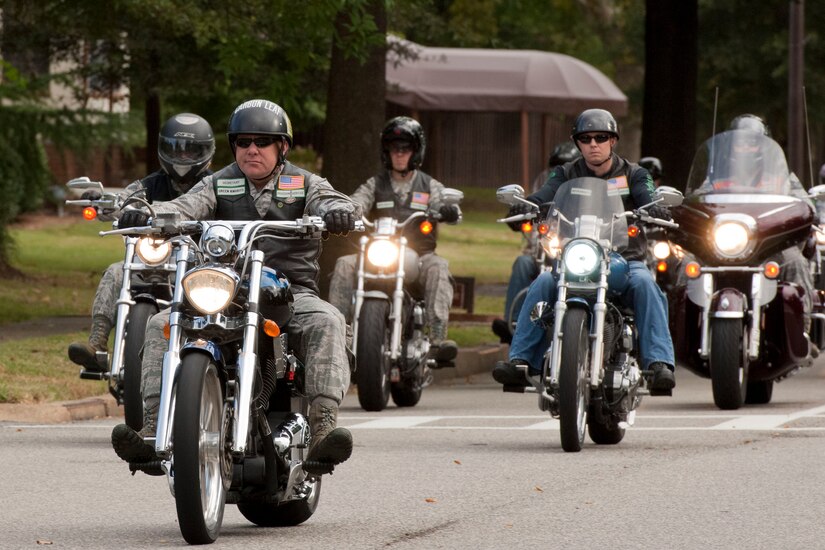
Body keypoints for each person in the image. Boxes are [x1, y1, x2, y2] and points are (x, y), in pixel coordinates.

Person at [109, 99, 361, 474]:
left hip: (290, 293)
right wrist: (145, 215)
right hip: (226, 291)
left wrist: (340, 213)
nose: (251, 150)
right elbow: (182, 207)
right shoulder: (219, 182)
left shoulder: (305, 183)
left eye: (262, 141)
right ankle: (152, 427)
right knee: (161, 324)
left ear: (282, 147)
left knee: (328, 320)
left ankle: (324, 427)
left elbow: (337, 202)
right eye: (243, 142)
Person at [492, 108, 677, 393]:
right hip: (576, 255)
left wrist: (656, 207)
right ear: (577, 142)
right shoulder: (565, 173)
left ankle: (659, 363)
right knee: (542, 281)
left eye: (600, 137)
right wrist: (526, 205)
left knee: (645, 283)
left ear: (612, 140)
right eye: (586, 138)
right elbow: (544, 196)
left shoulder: (635, 174)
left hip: (623, 258)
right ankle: (521, 362)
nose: (593, 144)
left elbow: (648, 197)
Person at [67, 113, 215, 372]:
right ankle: (97, 345)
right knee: (117, 270)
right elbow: (124, 200)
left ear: (206, 152)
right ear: (163, 150)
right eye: (176, 150)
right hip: (155, 256)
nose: (183, 158)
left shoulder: (214, 185)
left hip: (198, 263)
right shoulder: (149, 185)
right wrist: (103, 201)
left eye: (191, 151)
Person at [327, 116, 461, 364]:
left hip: (419, 257)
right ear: (385, 151)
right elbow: (356, 201)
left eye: (405, 148)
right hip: (380, 251)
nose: (399, 154)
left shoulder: (429, 185)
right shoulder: (374, 184)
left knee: (439, 267)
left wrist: (448, 209)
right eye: (393, 148)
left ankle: (437, 340)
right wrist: (344, 211)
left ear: (416, 151)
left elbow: (444, 202)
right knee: (345, 263)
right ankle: (338, 337)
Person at [491, 141, 581, 344]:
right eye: (556, 167)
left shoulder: (587, 196)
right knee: (523, 262)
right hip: (545, 253)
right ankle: (512, 324)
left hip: (578, 259)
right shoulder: (546, 186)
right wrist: (520, 212)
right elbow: (533, 203)